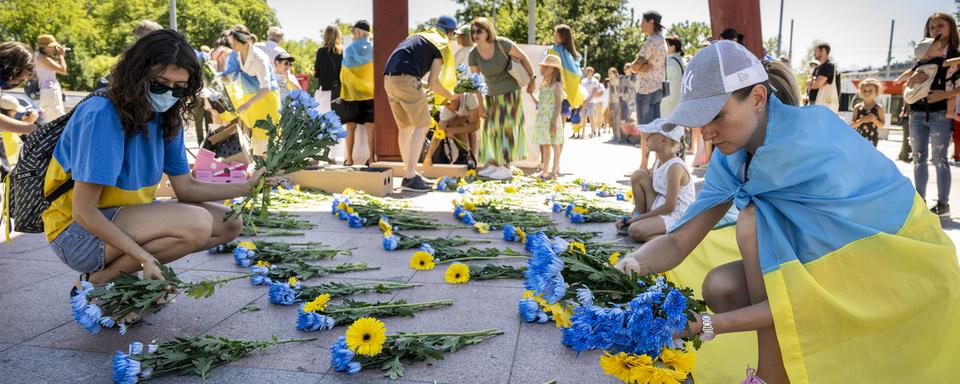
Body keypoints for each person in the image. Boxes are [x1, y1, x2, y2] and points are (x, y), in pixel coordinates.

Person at [615, 40, 957, 384]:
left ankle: (772, 376)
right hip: (828, 270)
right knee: (721, 286)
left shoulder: (814, 144)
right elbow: (677, 243)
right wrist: (628, 268)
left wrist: (708, 324)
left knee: (752, 222)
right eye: (699, 120)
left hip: (893, 265)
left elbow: (818, 290)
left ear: (758, 99)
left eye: (716, 115)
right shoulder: (730, 156)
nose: (706, 132)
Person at [42, 30, 268, 294]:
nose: (169, 94)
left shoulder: (167, 115)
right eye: (160, 84)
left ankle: (103, 278)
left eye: (179, 88)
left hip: (122, 218)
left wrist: (245, 187)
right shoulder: (102, 115)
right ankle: (97, 282)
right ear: (137, 75)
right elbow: (84, 211)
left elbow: (185, 187)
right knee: (196, 223)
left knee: (230, 221)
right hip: (77, 234)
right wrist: (143, 257)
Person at [383, 15, 459, 191]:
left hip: (389, 79)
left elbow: (411, 74)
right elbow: (434, 82)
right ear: (449, 32)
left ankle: (409, 173)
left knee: (405, 128)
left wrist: (421, 84)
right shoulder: (440, 44)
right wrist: (451, 96)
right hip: (406, 80)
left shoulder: (420, 37)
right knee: (423, 125)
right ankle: (410, 177)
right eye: (453, 34)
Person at [895, 12, 960, 217]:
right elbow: (904, 83)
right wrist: (911, 81)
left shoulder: (951, 57)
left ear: (951, 28)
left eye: (941, 25)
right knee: (918, 158)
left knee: (940, 158)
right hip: (916, 114)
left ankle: (943, 204)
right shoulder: (922, 58)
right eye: (932, 27)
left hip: (941, 113)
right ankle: (919, 201)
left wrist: (944, 94)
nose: (936, 30)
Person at [469, 17, 536, 181]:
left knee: (507, 129)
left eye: (479, 31)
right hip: (491, 95)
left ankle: (506, 167)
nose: (475, 34)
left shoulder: (502, 44)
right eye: (473, 32)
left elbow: (523, 57)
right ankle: (494, 164)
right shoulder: (473, 54)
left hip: (510, 92)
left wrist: (532, 78)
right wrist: (480, 105)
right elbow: (476, 82)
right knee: (491, 131)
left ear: (487, 31)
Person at [617, 118, 694, 242]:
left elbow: (670, 207)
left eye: (651, 134)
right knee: (638, 175)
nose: (646, 137)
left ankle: (676, 241)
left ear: (663, 140)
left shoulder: (675, 167)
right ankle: (642, 219)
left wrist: (637, 221)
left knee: (635, 231)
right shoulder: (658, 162)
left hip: (676, 215)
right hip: (660, 205)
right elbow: (653, 190)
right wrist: (632, 217)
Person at [221, 24, 281, 155]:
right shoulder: (237, 55)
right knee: (258, 136)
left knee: (268, 137)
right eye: (232, 42)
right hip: (255, 99)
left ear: (245, 40)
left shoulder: (260, 58)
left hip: (267, 98)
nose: (233, 45)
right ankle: (260, 170)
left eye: (236, 42)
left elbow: (266, 88)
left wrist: (246, 104)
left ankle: (270, 171)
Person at [631, 11, 667, 170]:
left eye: (642, 21)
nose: (640, 24)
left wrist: (637, 67)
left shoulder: (650, 41)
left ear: (651, 22)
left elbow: (634, 66)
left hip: (645, 90)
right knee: (656, 129)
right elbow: (641, 65)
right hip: (658, 89)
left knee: (645, 130)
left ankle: (644, 166)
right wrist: (641, 66)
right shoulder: (662, 41)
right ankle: (657, 164)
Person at [339, 20, 376, 167]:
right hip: (370, 92)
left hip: (352, 94)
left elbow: (344, 74)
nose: (353, 35)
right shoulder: (374, 49)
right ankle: (372, 158)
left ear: (359, 32)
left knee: (350, 126)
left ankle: (349, 159)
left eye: (354, 31)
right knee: (370, 126)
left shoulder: (350, 49)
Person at [423, 93, 480, 168]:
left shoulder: (470, 97)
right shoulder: (447, 109)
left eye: (448, 104)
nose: (447, 107)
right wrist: (428, 157)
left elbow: (475, 126)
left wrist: (454, 130)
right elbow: (438, 134)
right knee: (454, 123)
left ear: (457, 98)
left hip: (475, 112)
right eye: (445, 104)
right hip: (462, 115)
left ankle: (471, 156)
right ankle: (464, 154)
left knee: (462, 124)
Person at [532, 54, 564, 180]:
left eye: (546, 67)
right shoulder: (544, 85)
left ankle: (554, 171)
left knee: (555, 144)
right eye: (542, 67)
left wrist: (554, 122)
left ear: (554, 70)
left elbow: (558, 105)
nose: (542, 70)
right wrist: (531, 94)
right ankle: (545, 171)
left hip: (551, 119)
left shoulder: (557, 86)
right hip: (542, 120)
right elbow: (540, 103)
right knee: (545, 144)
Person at [34, 34, 68, 121]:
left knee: (48, 119)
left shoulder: (38, 56)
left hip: (45, 91)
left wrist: (59, 57)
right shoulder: (43, 58)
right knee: (58, 118)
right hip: (50, 90)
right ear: (45, 47)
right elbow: (63, 70)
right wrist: (61, 56)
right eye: (52, 47)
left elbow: (53, 68)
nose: (53, 49)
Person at [315, 25, 344, 113]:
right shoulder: (343, 52)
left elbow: (317, 73)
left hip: (325, 91)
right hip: (339, 92)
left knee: (322, 121)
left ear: (325, 36)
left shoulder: (321, 51)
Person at [850, 78, 885, 146]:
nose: (867, 93)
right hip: (858, 138)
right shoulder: (857, 107)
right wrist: (861, 120)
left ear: (876, 92)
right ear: (860, 91)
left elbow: (882, 125)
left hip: (872, 139)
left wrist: (874, 120)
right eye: (864, 90)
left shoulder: (879, 108)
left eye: (870, 91)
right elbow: (852, 125)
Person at [806, 42, 839, 113]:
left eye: (816, 51)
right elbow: (808, 82)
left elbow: (816, 85)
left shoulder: (828, 66)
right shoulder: (818, 68)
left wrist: (813, 82)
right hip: (814, 103)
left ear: (823, 51)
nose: (814, 54)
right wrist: (814, 82)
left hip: (822, 105)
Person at [661, 35, 685, 117]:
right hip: (680, 101)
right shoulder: (682, 61)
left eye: (665, 45)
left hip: (668, 103)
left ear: (672, 47)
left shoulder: (669, 62)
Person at [579, 67, 601, 138]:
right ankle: (583, 132)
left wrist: (588, 100)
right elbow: (581, 91)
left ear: (593, 72)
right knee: (583, 117)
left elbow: (594, 92)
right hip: (583, 101)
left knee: (591, 117)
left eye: (590, 71)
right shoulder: (583, 81)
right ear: (586, 72)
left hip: (591, 101)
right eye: (588, 71)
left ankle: (592, 132)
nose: (589, 72)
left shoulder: (595, 81)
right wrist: (582, 101)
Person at [607, 67, 622, 143]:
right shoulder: (610, 82)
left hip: (618, 102)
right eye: (608, 73)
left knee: (617, 119)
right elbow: (610, 93)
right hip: (612, 102)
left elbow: (620, 92)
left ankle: (618, 136)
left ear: (615, 73)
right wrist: (609, 103)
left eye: (610, 73)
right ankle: (615, 135)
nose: (609, 74)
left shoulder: (618, 80)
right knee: (613, 119)